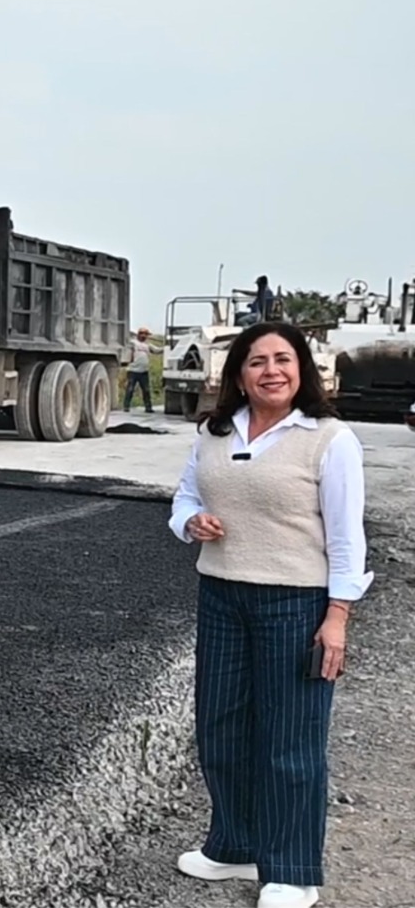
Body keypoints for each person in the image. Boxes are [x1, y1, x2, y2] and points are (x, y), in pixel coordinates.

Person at [167, 320, 372, 908]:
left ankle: (292, 870)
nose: (271, 371)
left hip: (297, 602)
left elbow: (346, 539)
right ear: (238, 374)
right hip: (222, 597)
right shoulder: (213, 432)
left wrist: (337, 615)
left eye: (284, 359)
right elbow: (185, 497)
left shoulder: (329, 439)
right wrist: (191, 524)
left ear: (302, 368)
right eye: (257, 362)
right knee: (221, 729)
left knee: (290, 739)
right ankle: (233, 845)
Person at [122, 326, 161, 412]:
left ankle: (148, 407)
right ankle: (126, 406)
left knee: (146, 390)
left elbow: (157, 351)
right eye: (142, 334)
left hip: (144, 371)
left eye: (146, 334)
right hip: (133, 370)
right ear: (138, 334)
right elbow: (127, 344)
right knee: (130, 389)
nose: (144, 336)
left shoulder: (148, 345)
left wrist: (166, 348)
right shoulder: (133, 343)